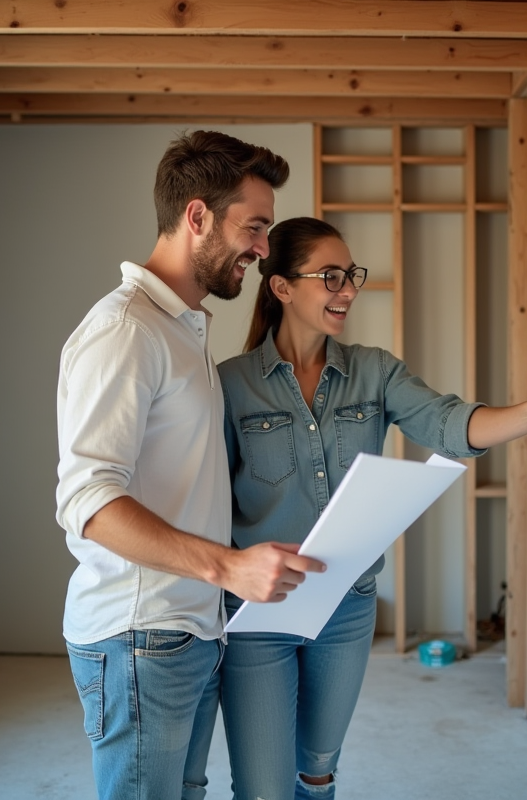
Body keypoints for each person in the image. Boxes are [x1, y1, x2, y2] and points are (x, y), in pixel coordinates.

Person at [217, 217, 527, 800]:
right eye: (330, 276)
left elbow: (451, 424)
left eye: (352, 275)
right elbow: (209, 504)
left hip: (347, 607)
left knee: (316, 771)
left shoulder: (374, 370)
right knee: (263, 787)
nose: (348, 290)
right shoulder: (231, 386)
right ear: (282, 287)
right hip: (260, 612)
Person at [55, 133, 326, 800]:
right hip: (139, 639)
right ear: (198, 216)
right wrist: (228, 567)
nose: (264, 249)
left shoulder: (184, 327)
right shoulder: (127, 331)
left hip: (187, 632)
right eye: (254, 227)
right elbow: (87, 499)